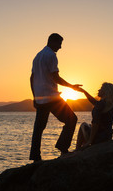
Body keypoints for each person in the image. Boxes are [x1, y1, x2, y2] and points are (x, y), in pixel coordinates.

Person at [30, 33, 82, 162]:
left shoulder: (37, 56)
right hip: (52, 97)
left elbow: (32, 78)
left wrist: (35, 97)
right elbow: (55, 77)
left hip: (41, 98)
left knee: (39, 128)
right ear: (52, 41)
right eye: (59, 44)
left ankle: (35, 157)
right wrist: (72, 87)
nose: (60, 47)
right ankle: (62, 147)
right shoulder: (51, 55)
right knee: (72, 119)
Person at [75, 82, 113, 150]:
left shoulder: (101, 104)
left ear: (105, 92)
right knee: (89, 126)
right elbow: (94, 102)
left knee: (83, 125)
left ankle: (77, 149)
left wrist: (90, 141)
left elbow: (95, 123)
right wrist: (84, 91)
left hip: (98, 138)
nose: (98, 90)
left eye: (101, 89)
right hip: (107, 137)